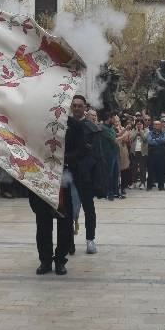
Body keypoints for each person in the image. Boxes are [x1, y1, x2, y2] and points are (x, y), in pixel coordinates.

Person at [64, 96, 101, 253]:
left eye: (80, 105)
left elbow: (95, 153)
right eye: (74, 105)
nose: (77, 108)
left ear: (85, 107)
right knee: (68, 209)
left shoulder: (91, 127)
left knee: (88, 208)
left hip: (85, 174)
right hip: (68, 173)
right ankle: (69, 241)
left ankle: (90, 240)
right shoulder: (66, 125)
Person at [146, 119, 165, 191]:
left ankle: (161, 186)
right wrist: (159, 140)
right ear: (153, 125)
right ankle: (149, 186)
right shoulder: (149, 133)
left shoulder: (164, 132)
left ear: (160, 125)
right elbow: (150, 141)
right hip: (152, 154)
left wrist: (155, 140)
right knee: (150, 170)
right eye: (155, 124)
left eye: (158, 124)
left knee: (161, 170)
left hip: (161, 154)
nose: (157, 126)